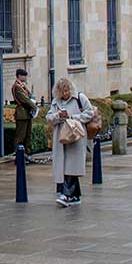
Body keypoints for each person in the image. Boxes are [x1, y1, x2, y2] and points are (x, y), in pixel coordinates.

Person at [47, 76, 93, 206]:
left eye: (67, 90)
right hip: (61, 138)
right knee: (65, 166)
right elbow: (48, 117)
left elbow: (89, 113)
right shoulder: (56, 102)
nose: (65, 93)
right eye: (62, 91)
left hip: (76, 137)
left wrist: (73, 117)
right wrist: (58, 116)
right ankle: (75, 196)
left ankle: (66, 195)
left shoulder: (80, 98)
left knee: (71, 166)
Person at [11, 68, 36, 152]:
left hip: (27, 113)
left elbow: (29, 96)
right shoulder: (17, 86)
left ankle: (26, 153)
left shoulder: (22, 85)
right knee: (20, 136)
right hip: (21, 113)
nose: (25, 77)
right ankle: (18, 154)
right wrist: (34, 107)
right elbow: (25, 99)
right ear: (19, 76)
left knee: (27, 136)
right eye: (24, 76)